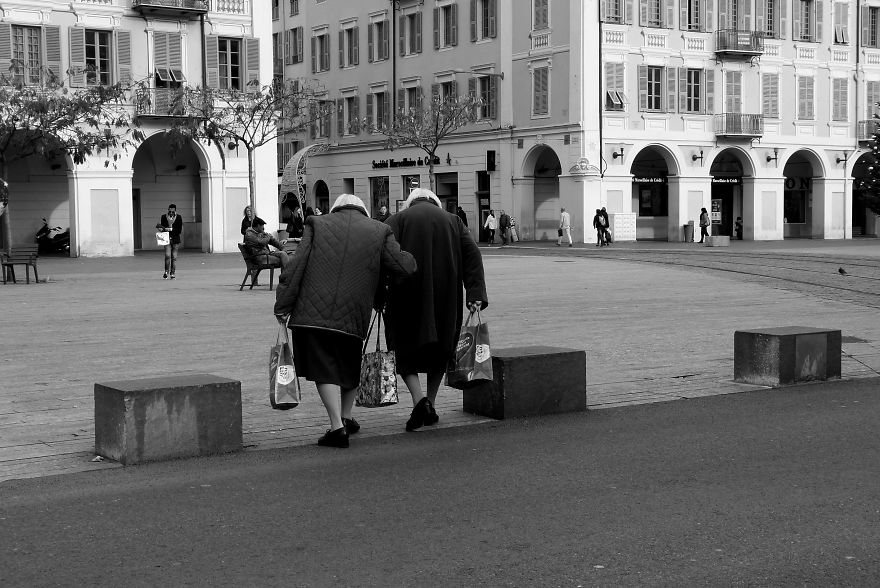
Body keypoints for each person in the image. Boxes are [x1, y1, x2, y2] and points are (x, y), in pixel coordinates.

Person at [274, 194, 416, 448]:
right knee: (349, 366)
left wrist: (282, 305)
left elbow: (296, 267)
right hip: (354, 314)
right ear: (362, 210)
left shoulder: (316, 224)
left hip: (312, 313)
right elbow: (403, 267)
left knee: (324, 368)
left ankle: (337, 427)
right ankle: (347, 417)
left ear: (337, 208)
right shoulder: (380, 229)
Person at [384, 188, 488, 432]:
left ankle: (419, 401)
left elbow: (384, 256)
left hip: (405, 295)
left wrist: (379, 296)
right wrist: (475, 293)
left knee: (402, 347)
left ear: (410, 203)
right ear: (435, 202)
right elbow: (473, 255)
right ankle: (430, 402)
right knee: (441, 348)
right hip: (446, 295)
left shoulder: (396, 220)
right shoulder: (453, 221)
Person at [156, 203, 183, 279]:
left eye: (172, 211)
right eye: (169, 211)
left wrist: (171, 229)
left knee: (174, 257)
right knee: (167, 256)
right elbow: (162, 228)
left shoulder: (179, 217)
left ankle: (172, 273)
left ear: (175, 211)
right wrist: (161, 229)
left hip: (175, 240)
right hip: (166, 239)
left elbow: (179, 230)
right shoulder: (163, 217)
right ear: (168, 210)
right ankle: (166, 271)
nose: (171, 213)